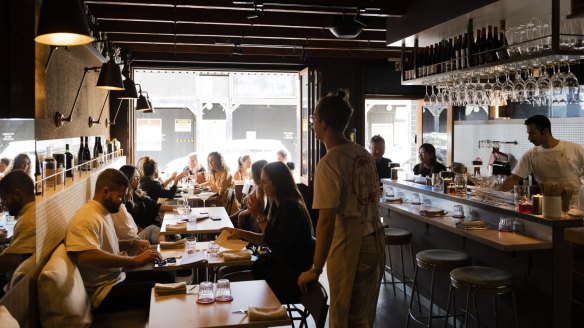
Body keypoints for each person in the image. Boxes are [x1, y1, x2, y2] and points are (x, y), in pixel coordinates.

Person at [297, 90, 385, 327]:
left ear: (324, 124)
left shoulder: (330, 163)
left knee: (343, 314)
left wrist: (316, 269)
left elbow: (325, 221)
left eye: (314, 118)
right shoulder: (362, 153)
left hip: (352, 244)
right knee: (364, 313)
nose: (312, 124)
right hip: (375, 238)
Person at [65, 169, 172, 313]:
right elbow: (85, 257)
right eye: (120, 196)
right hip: (103, 293)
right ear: (105, 191)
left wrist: (132, 243)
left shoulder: (103, 212)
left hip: (117, 278)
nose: (122, 201)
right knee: (164, 292)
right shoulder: (86, 218)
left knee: (165, 277)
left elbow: (103, 245)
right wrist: (134, 260)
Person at [223, 161, 314, 302]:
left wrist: (259, 215)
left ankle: (250, 316)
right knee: (224, 273)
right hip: (278, 266)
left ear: (277, 182)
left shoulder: (291, 208)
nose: (261, 186)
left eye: (265, 182)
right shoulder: (279, 203)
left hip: (288, 275)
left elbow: (276, 246)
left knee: (227, 279)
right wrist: (240, 233)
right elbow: (268, 238)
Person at [499, 115, 584, 197]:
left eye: (532, 133)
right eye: (528, 134)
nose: (529, 138)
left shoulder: (573, 148)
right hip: (546, 205)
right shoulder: (531, 155)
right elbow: (513, 179)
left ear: (546, 131)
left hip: (575, 206)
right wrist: (496, 196)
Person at [0, 171, 36, 277]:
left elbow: (12, 261)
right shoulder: (35, 209)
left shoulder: (28, 221)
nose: (5, 206)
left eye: (5, 200)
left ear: (18, 194)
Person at [120, 165, 174, 229]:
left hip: (150, 229)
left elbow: (157, 206)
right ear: (128, 178)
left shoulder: (139, 194)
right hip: (142, 233)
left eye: (138, 176)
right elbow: (131, 226)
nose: (138, 179)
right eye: (136, 176)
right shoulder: (125, 202)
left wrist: (180, 208)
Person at [235, 159, 268, 232]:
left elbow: (255, 209)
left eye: (253, 172)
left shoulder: (262, 191)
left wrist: (241, 214)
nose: (252, 175)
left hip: (254, 227)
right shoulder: (256, 188)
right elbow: (244, 208)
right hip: (251, 224)